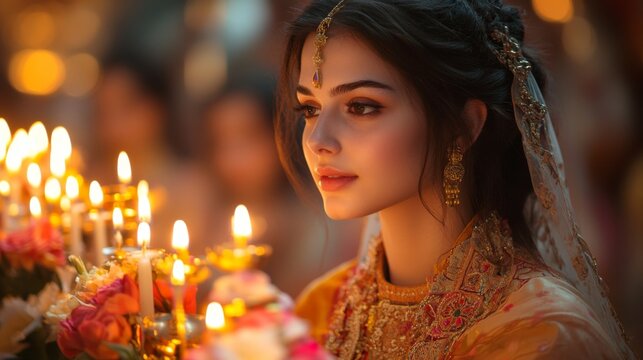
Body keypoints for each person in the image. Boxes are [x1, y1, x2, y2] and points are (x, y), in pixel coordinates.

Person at [275, 0, 635, 358]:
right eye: (310, 109)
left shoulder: (538, 334)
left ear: (462, 126)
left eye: (361, 106)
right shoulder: (322, 309)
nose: (318, 140)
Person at [200, 74, 361, 297]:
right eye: (220, 142)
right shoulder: (203, 210)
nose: (232, 158)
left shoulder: (322, 220)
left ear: (283, 135)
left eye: (249, 137)